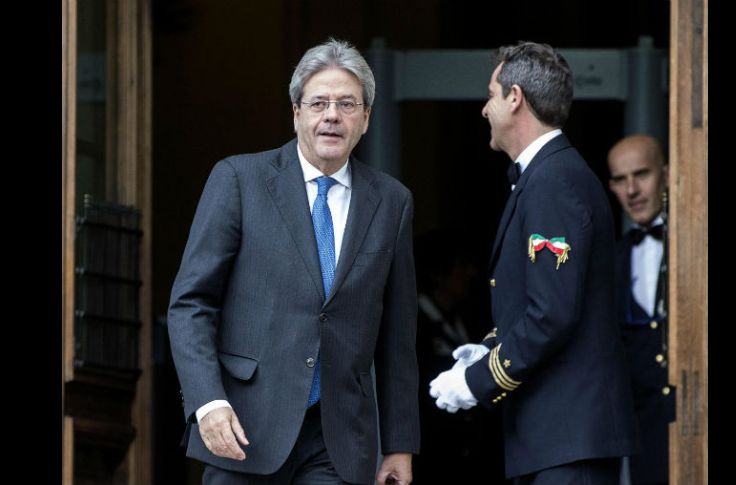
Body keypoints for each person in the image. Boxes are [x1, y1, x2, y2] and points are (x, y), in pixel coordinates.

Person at [167, 38, 419, 485]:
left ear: (365, 118)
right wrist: (208, 401)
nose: (332, 115)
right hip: (243, 428)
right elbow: (191, 304)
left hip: (338, 438)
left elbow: (397, 336)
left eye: (347, 104)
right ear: (296, 112)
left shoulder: (391, 201)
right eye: (318, 102)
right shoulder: (239, 180)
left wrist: (399, 444)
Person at [428, 41, 640, 484]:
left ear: (515, 98)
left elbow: (551, 313)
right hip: (560, 437)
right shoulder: (548, 175)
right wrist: (490, 349)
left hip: (568, 437)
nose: (484, 109)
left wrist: (478, 379)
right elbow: (542, 300)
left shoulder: (553, 181)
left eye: (490, 95)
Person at [412, 231, 505, 484]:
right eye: (462, 265)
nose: (471, 273)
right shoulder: (413, 326)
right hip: (432, 457)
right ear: (438, 272)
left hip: (473, 458)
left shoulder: (472, 319)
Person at [607, 134, 674, 485]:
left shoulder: (697, 247)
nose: (632, 189)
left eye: (641, 174)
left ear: (667, 174)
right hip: (644, 435)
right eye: (621, 179)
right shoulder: (610, 262)